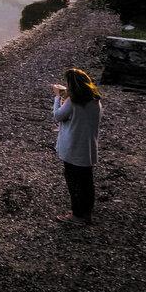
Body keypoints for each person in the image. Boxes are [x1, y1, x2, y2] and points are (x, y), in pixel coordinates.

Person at [51, 67, 102, 224]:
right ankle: (86, 213)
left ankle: (77, 215)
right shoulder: (95, 101)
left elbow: (57, 116)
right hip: (88, 148)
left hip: (72, 149)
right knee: (87, 182)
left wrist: (57, 97)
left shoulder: (72, 102)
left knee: (74, 182)